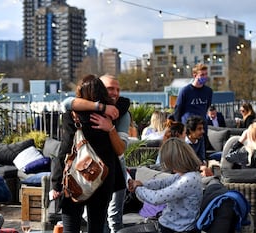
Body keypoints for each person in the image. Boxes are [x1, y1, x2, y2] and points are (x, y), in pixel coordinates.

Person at [50, 75, 126, 233]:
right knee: (97, 227)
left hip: (75, 179)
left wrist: (56, 183)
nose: (115, 93)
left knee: (71, 227)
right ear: (102, 91)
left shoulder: (71, 115)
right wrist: (105, 110)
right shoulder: (112, 113)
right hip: (103, 179)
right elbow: (125, 102)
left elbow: (64, 151)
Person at [128, 138, 203, 233]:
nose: (169, 167)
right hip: (170, 225)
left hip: (176, 229)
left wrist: (137, 188)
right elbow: (162, 183)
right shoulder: (186, 175)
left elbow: (156, 198)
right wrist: (142, 184)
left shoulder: (189, 179)